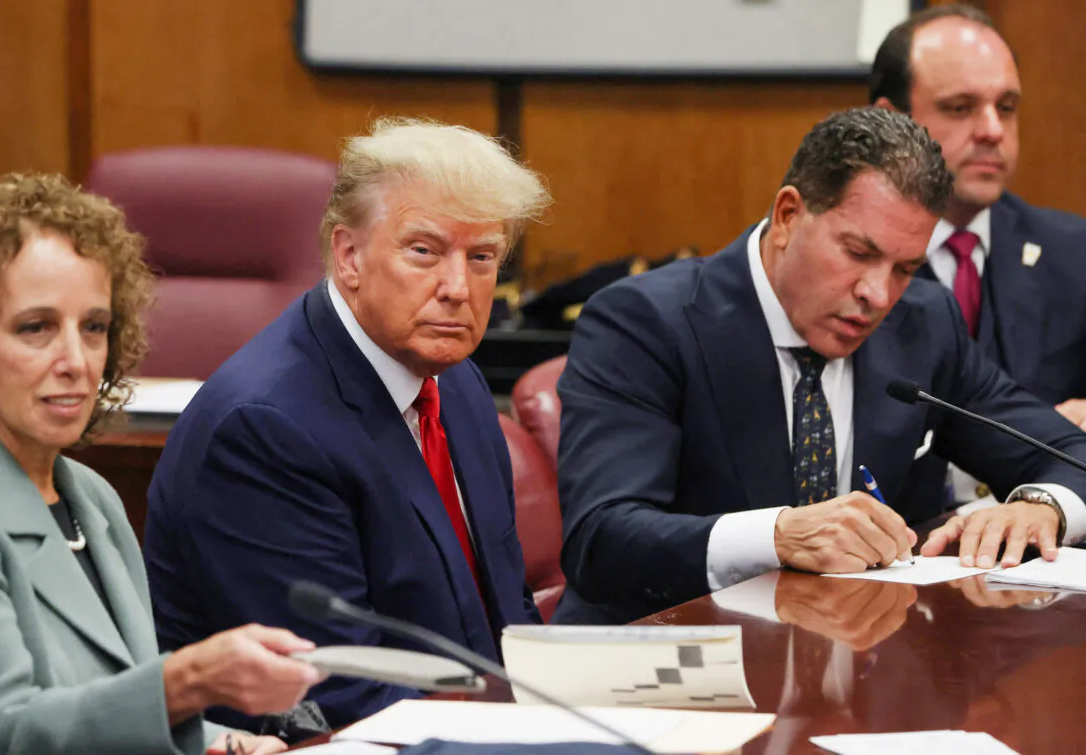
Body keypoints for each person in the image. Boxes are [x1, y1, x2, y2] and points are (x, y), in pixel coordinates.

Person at [553, 107, 1086, 625]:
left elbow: (1067, 452)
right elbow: (601, 540)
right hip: (666, 671)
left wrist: (1043, 507)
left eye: (904, 268)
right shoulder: (645, 322)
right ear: (788, 216)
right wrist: (778, 537)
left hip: (854, 667)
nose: (878, 295)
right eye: (857, 252)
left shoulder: (924, 322)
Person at [0, 174, 321, 755]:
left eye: (94, 327)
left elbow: (106, 707)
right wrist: (186, 683)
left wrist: (226, 742)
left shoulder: (92, 497)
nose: (77, 361)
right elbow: (2, 735)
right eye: (36, 328)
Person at [144, 118, 550, 730]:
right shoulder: (264, 431)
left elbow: (504, 620)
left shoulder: (455, 383)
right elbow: (332, 696)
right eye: (425, 251)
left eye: (483, 257)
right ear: (349, 255)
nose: (457, 288)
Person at [870, 5, 1086, 502]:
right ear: (889, 121)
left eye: (1006, 107)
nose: (992, 130)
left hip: (1036, 549)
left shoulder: (1073, 253)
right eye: (960, 107)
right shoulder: (851, 267)